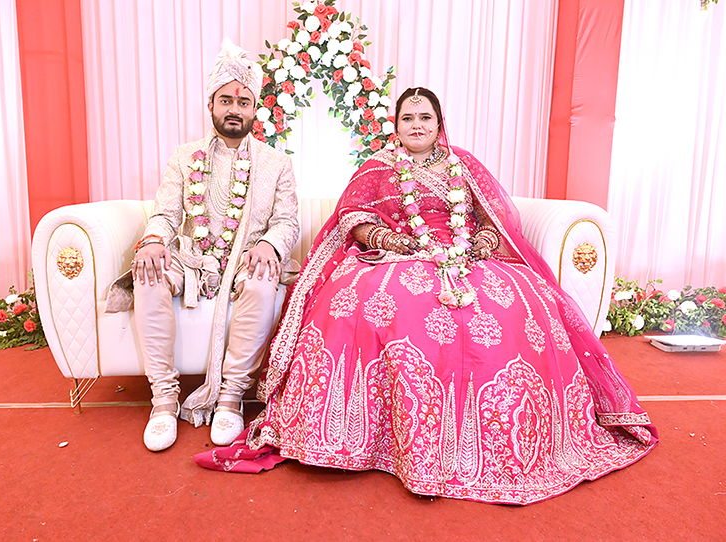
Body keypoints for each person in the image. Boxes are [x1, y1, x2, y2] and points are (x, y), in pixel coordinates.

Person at [195, 87, 658, 505]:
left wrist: (475, 248)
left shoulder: (466, 166)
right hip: (396, 254)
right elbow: (353, 220)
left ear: (440, 125)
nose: (416, 125)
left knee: (516, 303)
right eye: (407, 118)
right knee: (375, 305)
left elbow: (493, 221)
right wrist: (397, 243)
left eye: (425, 118)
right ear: (394, 126)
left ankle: (503, 438)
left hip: (467, 257)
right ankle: (369, 438)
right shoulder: (378, 167)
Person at [124, 39, 299, 451]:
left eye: (243, 101)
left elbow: (288, 220)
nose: (234, 109)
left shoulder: (276, 162)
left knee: (261, 278)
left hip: (246, 259)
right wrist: (152, 240)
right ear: (211, 104)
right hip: (192, 259)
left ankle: (231, 397)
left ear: (255, 109)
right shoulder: (184, 157)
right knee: (147, 274)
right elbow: (167, 213)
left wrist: (271, 247)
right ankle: (164, 399)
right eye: (226, 100)